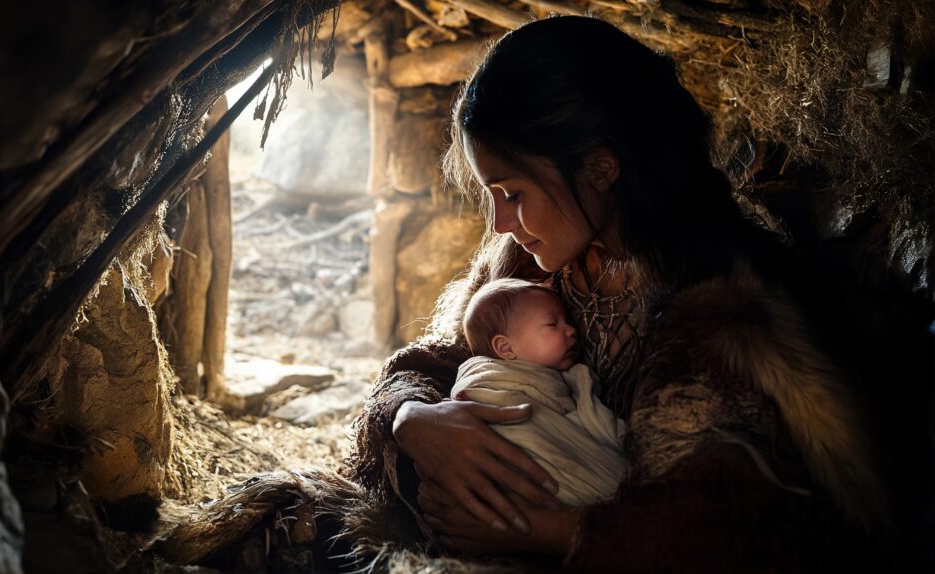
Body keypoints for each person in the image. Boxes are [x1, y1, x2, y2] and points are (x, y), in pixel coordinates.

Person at [346, 15, 893, 571]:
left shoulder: (729, 312)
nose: (499, 224)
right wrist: (410, 418)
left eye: (512, 194)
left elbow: (762, 522)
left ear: (600, 168)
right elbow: (446, 360)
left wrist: (553, 533)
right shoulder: (525, 264)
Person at [452, 277, 628, 508]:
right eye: (553, 324)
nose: (572, 330)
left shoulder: (565, 381)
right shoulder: (487, 381)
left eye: (567, 321)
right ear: (505, 348)